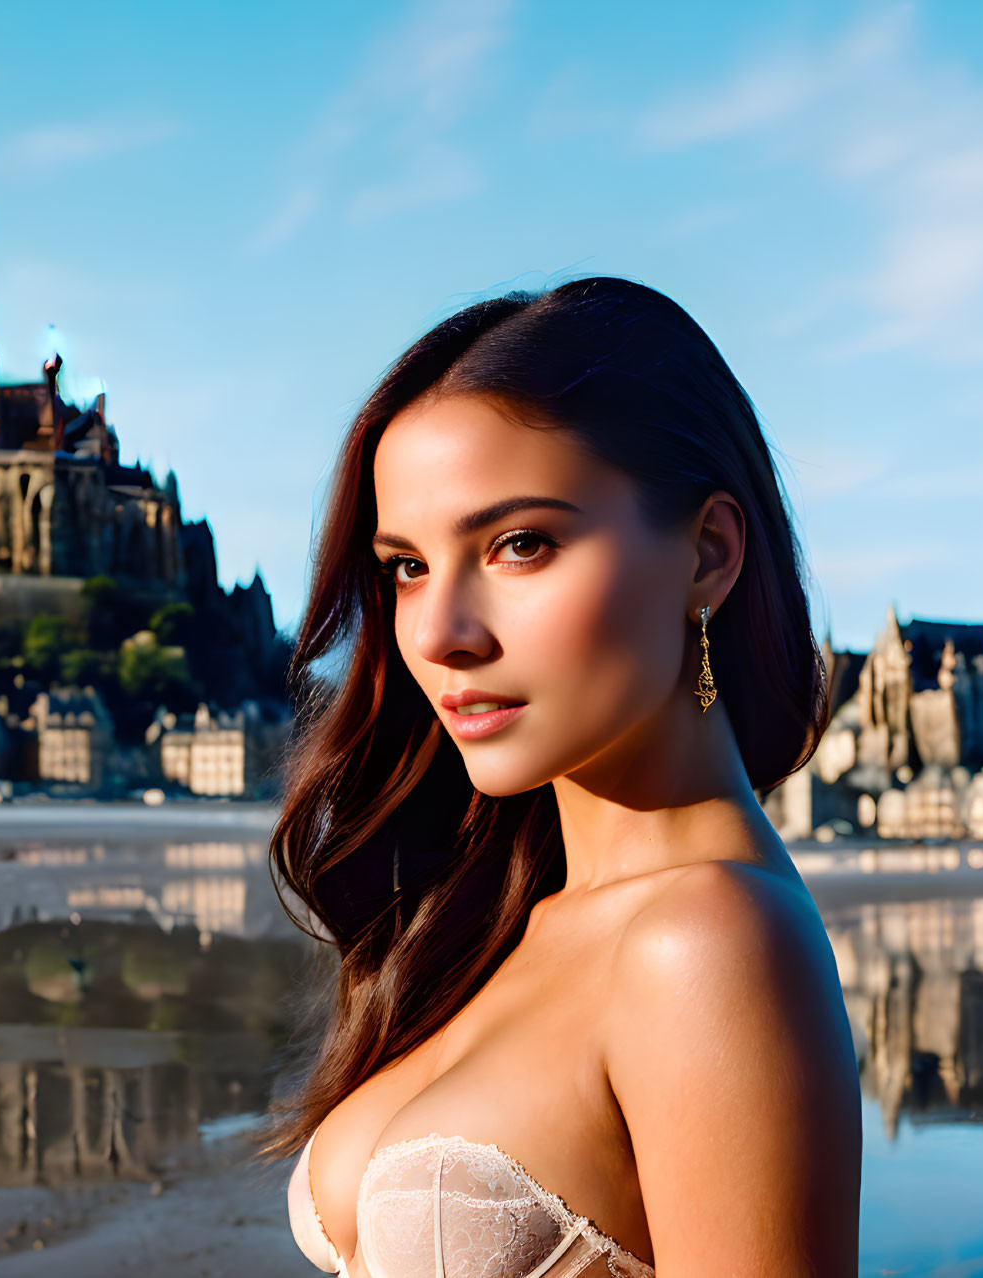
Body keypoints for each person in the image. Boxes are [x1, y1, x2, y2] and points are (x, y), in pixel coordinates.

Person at [266, 276, 862, 1277]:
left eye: (518, 544)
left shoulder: (709, 942)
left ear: (706, 555)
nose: (440, 634)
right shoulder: (498, 916)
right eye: (406, 565)